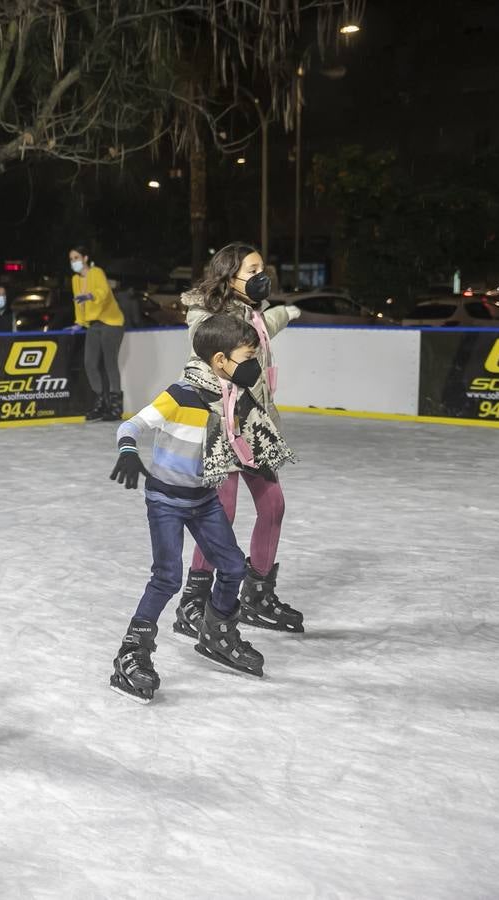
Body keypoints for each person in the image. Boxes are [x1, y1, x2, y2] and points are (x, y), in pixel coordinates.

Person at [107, 314, 298, 701]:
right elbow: (131, 427)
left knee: (230, 567)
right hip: (166, 501)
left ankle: (217, 632)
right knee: (167, 577)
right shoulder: (180, 395)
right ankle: (132, 652)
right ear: (220, 361)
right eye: (247, 356)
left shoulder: (233, 397)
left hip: (204, 498)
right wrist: (129, 452)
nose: (254, 365)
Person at [176, 243, 305, 636]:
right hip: (222, 424)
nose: (261, 276)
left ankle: (257, 593)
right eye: (252, 270)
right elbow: (210, 338)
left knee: (274, 507)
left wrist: (280, 313)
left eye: (262, 269)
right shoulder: (206, 315)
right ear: (230, 276)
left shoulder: (253, 313)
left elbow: (260, 329)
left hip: (256, 424)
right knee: (222, 514)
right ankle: (195, 601)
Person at [68, 246, 126, 422]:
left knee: (110, 363)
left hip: (111, 323)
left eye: (76, 257)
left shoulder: (97, 272)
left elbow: (104, 293)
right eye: (71, 259)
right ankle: (101, 402)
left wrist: (90, 296)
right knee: (90, 363)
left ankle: (115, 407)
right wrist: (79, 322)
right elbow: (78, 303)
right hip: (92, 325)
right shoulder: (75, 280)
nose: (73, 262)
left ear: (85, 258)